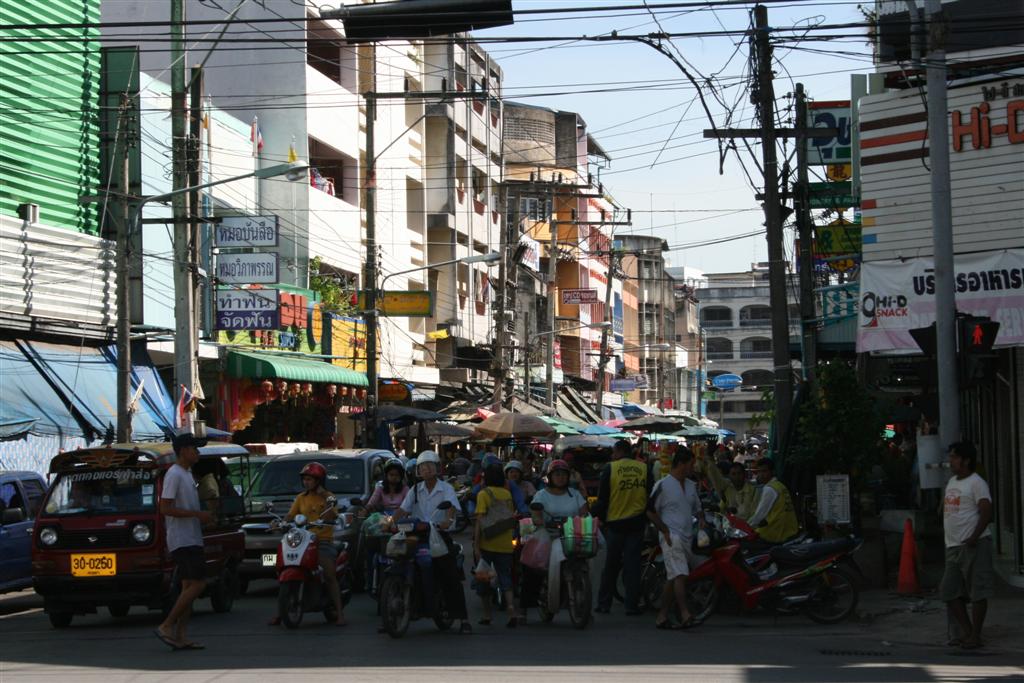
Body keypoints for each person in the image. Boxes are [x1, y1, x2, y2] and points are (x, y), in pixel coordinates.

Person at [394, 450, 472, 634]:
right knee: (397, 560)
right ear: (418, 471)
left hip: (439, 534)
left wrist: (448, 521)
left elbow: (451, 507)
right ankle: (392, 614)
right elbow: (403, 510)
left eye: (430, 466)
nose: (426, 469)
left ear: (437, 468)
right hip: (417, 535)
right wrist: (389, 523)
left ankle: (463, 618)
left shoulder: (446, 488)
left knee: (450, 574)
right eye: (422, 467)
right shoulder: (415, 490)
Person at [156, 431, 213, 650]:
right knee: (198, 583)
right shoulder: (174, 474)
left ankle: (180, 636)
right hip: (182, 539)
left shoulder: (187, 474)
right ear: (183, 451)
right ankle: (167, 625)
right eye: (194, 448)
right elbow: (165, 508)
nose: (197, 452)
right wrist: (197, 515)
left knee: (188, 587)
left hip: (191, 536)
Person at [272, 462, 345, 626]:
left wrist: (325, 498)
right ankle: (280, 612)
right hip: (302, 540)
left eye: (310, 479)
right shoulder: (301, 497)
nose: (306, 482)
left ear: (319, 481)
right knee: (282, 566)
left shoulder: (329, 496)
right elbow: (290, 516)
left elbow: (332, 514)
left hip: (322, 542)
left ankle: (340, 613)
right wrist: (280, 523)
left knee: (329, 574)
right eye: (304, 479)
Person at [941, 441, 993, 650]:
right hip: (953, 546)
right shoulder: (953, 481)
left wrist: (974, 536)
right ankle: (969, 631)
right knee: (948, 590)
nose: (950, 460)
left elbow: (987, 511)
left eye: (954, 457)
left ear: (966, 460)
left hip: (975, 544)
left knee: (978, 590)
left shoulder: (976, 482)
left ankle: (975, 635)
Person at [593, 439, 652, 615]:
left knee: (611, 566)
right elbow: (651, 495)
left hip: (615, 524)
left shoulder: (610, 469)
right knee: (632, 566)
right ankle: (631, 605)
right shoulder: (644, 469)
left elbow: (602, 498)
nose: (612, 455)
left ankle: (604, 603)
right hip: (636, 524)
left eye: (613, 452)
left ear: (618, 452)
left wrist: (599, 517)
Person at [647, 447, 703, 629]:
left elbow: (698, 508)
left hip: (687, 535)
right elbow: (650, 511)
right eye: (691, 465)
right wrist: (664, 531)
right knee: (680, 574)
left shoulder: (691, 485)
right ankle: (685, 613)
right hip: (672, 536)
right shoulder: (662, 485)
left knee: (673, 578)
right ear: (681, 464)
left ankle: (662, 616)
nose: (693, 468)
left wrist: (702, 521)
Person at [473, 461, 517, 628]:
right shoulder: (507, 494)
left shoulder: (483, 495)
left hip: (487, 543)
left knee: (483, 579)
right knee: (505, 577)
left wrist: (476, 545)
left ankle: (487, 615)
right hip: (505, 543)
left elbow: (480, 520)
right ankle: (511, 609)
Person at [748, 458, 799, 544]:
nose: (761, 475)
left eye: (764, 471)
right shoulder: (780, 486)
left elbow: (759, 515)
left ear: (772, 472)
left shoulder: (770, 489)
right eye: (759, 471)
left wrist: (747, 527)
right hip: (788, 530)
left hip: (775, 533)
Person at [698, 454, 758, 520]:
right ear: (729, 476)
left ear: (744, 475)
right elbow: (721, 509)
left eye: (739, 473)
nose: (737, 477)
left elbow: (754, 513)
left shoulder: (753, 491)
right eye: (733, 474)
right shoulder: (728, 490)